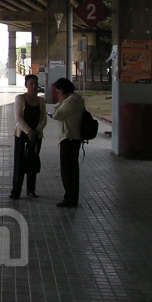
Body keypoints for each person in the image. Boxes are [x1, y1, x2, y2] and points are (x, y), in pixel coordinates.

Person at [10, 74, 46, 199]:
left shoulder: (41, 101)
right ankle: (16, 191)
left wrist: (37, 131)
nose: (34, 86)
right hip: (22, 135)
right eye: (31, 84)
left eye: (36, 83)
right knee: (19, 163)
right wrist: (29, 131)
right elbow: (18, 118)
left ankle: (31, 190)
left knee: (33, 161)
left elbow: (43, 119)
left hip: (36, 136)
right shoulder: (20, 98)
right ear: (26, 85)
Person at [51, 77, 83, 207]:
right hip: (72, 139)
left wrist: (59, 102)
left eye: (58, 91)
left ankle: (70, 199)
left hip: (69, 139)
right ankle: (71, 197)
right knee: (71, 170)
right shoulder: (76, 99)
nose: (57, 94)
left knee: (68, 171)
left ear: (63, 90)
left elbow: (57, 115)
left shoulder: (71, 101)